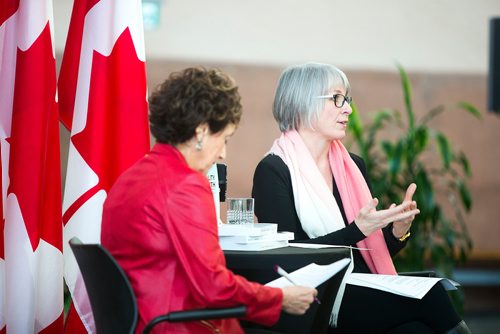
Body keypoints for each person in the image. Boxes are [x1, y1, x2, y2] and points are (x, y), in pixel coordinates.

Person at [252, 62, 471, 334]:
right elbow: (288, 257)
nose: (348, 109)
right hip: (315, 298)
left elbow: (368, 255)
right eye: (337, 99)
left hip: (361, 286)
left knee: (416, 330)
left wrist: (396, 233)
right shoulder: (274, 170)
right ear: (303, 103)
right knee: (432, 295)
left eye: (347, 99)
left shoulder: (352, 166)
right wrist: (356, 230)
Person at [101, 67, 317, 334]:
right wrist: (280, 298)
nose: (223, 154)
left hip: (140, 322)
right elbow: (213, 287)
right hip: (178, 324)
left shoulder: (130, 178)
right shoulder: (186, 185)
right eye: (224, 139)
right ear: (202, 131)